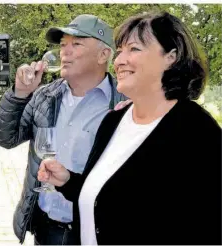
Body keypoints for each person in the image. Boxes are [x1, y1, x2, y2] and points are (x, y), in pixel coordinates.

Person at [38, 11, 221, 245]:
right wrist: (68, 181)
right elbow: (112, 197)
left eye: (134, 49)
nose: (119, 60)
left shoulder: (198, 133)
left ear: (171, 57)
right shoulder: (113, 121)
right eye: (120, 50)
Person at [0, 14, 126, 245]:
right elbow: (3, 137)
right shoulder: (45, 95)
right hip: (44, 226)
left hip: (93, 231)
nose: (65, 51)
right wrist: (20, 94)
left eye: (77, 44)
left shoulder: (124, 104)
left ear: (104, 55)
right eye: (63, 44)